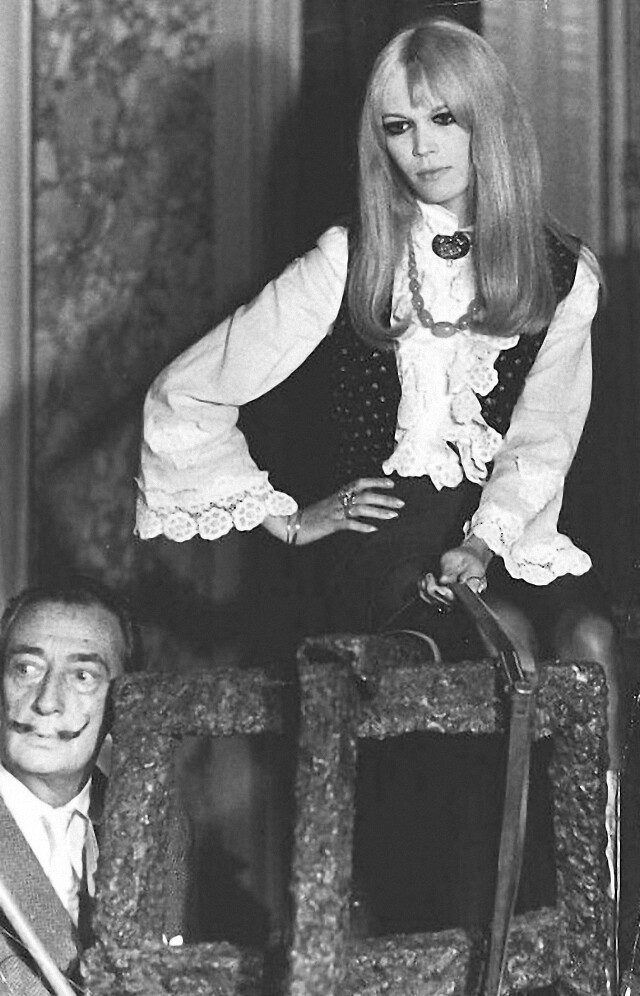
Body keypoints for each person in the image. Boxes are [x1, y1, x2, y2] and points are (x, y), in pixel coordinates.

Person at [136, 18, 623, 929]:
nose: (423, 147)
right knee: (504, 651)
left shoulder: (564, 271)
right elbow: (186, 393)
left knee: (591, 639)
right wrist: (285, 517)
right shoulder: (349, 255)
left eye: (444, 119)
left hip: (499, 533)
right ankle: (459, 938)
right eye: (399, 127)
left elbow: (543, 440)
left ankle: (583, 930)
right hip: (381, 544)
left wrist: (487, 543)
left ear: (488, 122)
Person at [0, 577, 138, 994]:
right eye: (26, 668)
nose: (47, 702)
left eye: (82, 676)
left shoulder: (156, 827)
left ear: (124, 702)